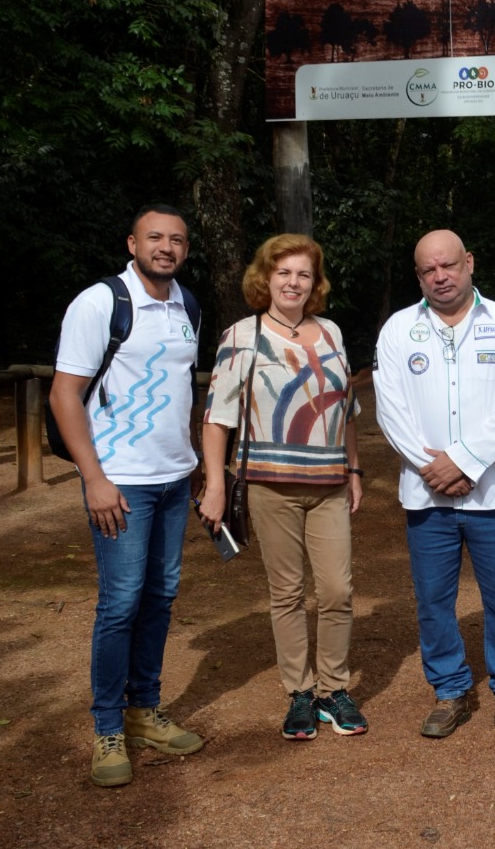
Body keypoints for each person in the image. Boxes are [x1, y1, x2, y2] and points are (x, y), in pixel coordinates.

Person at [50, 203, 204, 788]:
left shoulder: (185, 304)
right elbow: (66, 394)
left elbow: (178, 389)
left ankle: (144, 712)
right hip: (120, 480)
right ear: (133, 243)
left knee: (161, 596)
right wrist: (93, 477)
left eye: (177, 240)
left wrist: (190, 463)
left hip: (171, 477)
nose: (166, 247)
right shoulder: (100, 303)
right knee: (120, 603)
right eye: (155, 237)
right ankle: (108, 726)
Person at [372, 230, 495, 744]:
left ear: (469, 262)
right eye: (428, 270)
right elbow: (391, 409)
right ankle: (449, 690)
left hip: (494, 494)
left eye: (448, 265)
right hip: (427, 495)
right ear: (419, 276)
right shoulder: (399, 329)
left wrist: (465, 462)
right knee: (433, 599)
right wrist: (435, 470)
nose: (440, 276)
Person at [199, 234, 368, 742]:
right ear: (266, 279)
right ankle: (300, 692)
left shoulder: (333, 332)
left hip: (329, 483)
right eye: (284, 273)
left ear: (315, 284)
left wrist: (355, 470)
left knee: (337, 589)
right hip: (270, 485)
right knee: (288, 592)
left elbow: (347, 412)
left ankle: (334, 689)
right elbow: (216, 419)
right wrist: (213, 483)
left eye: (304, 275)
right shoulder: (243, 335)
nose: (294, 283)